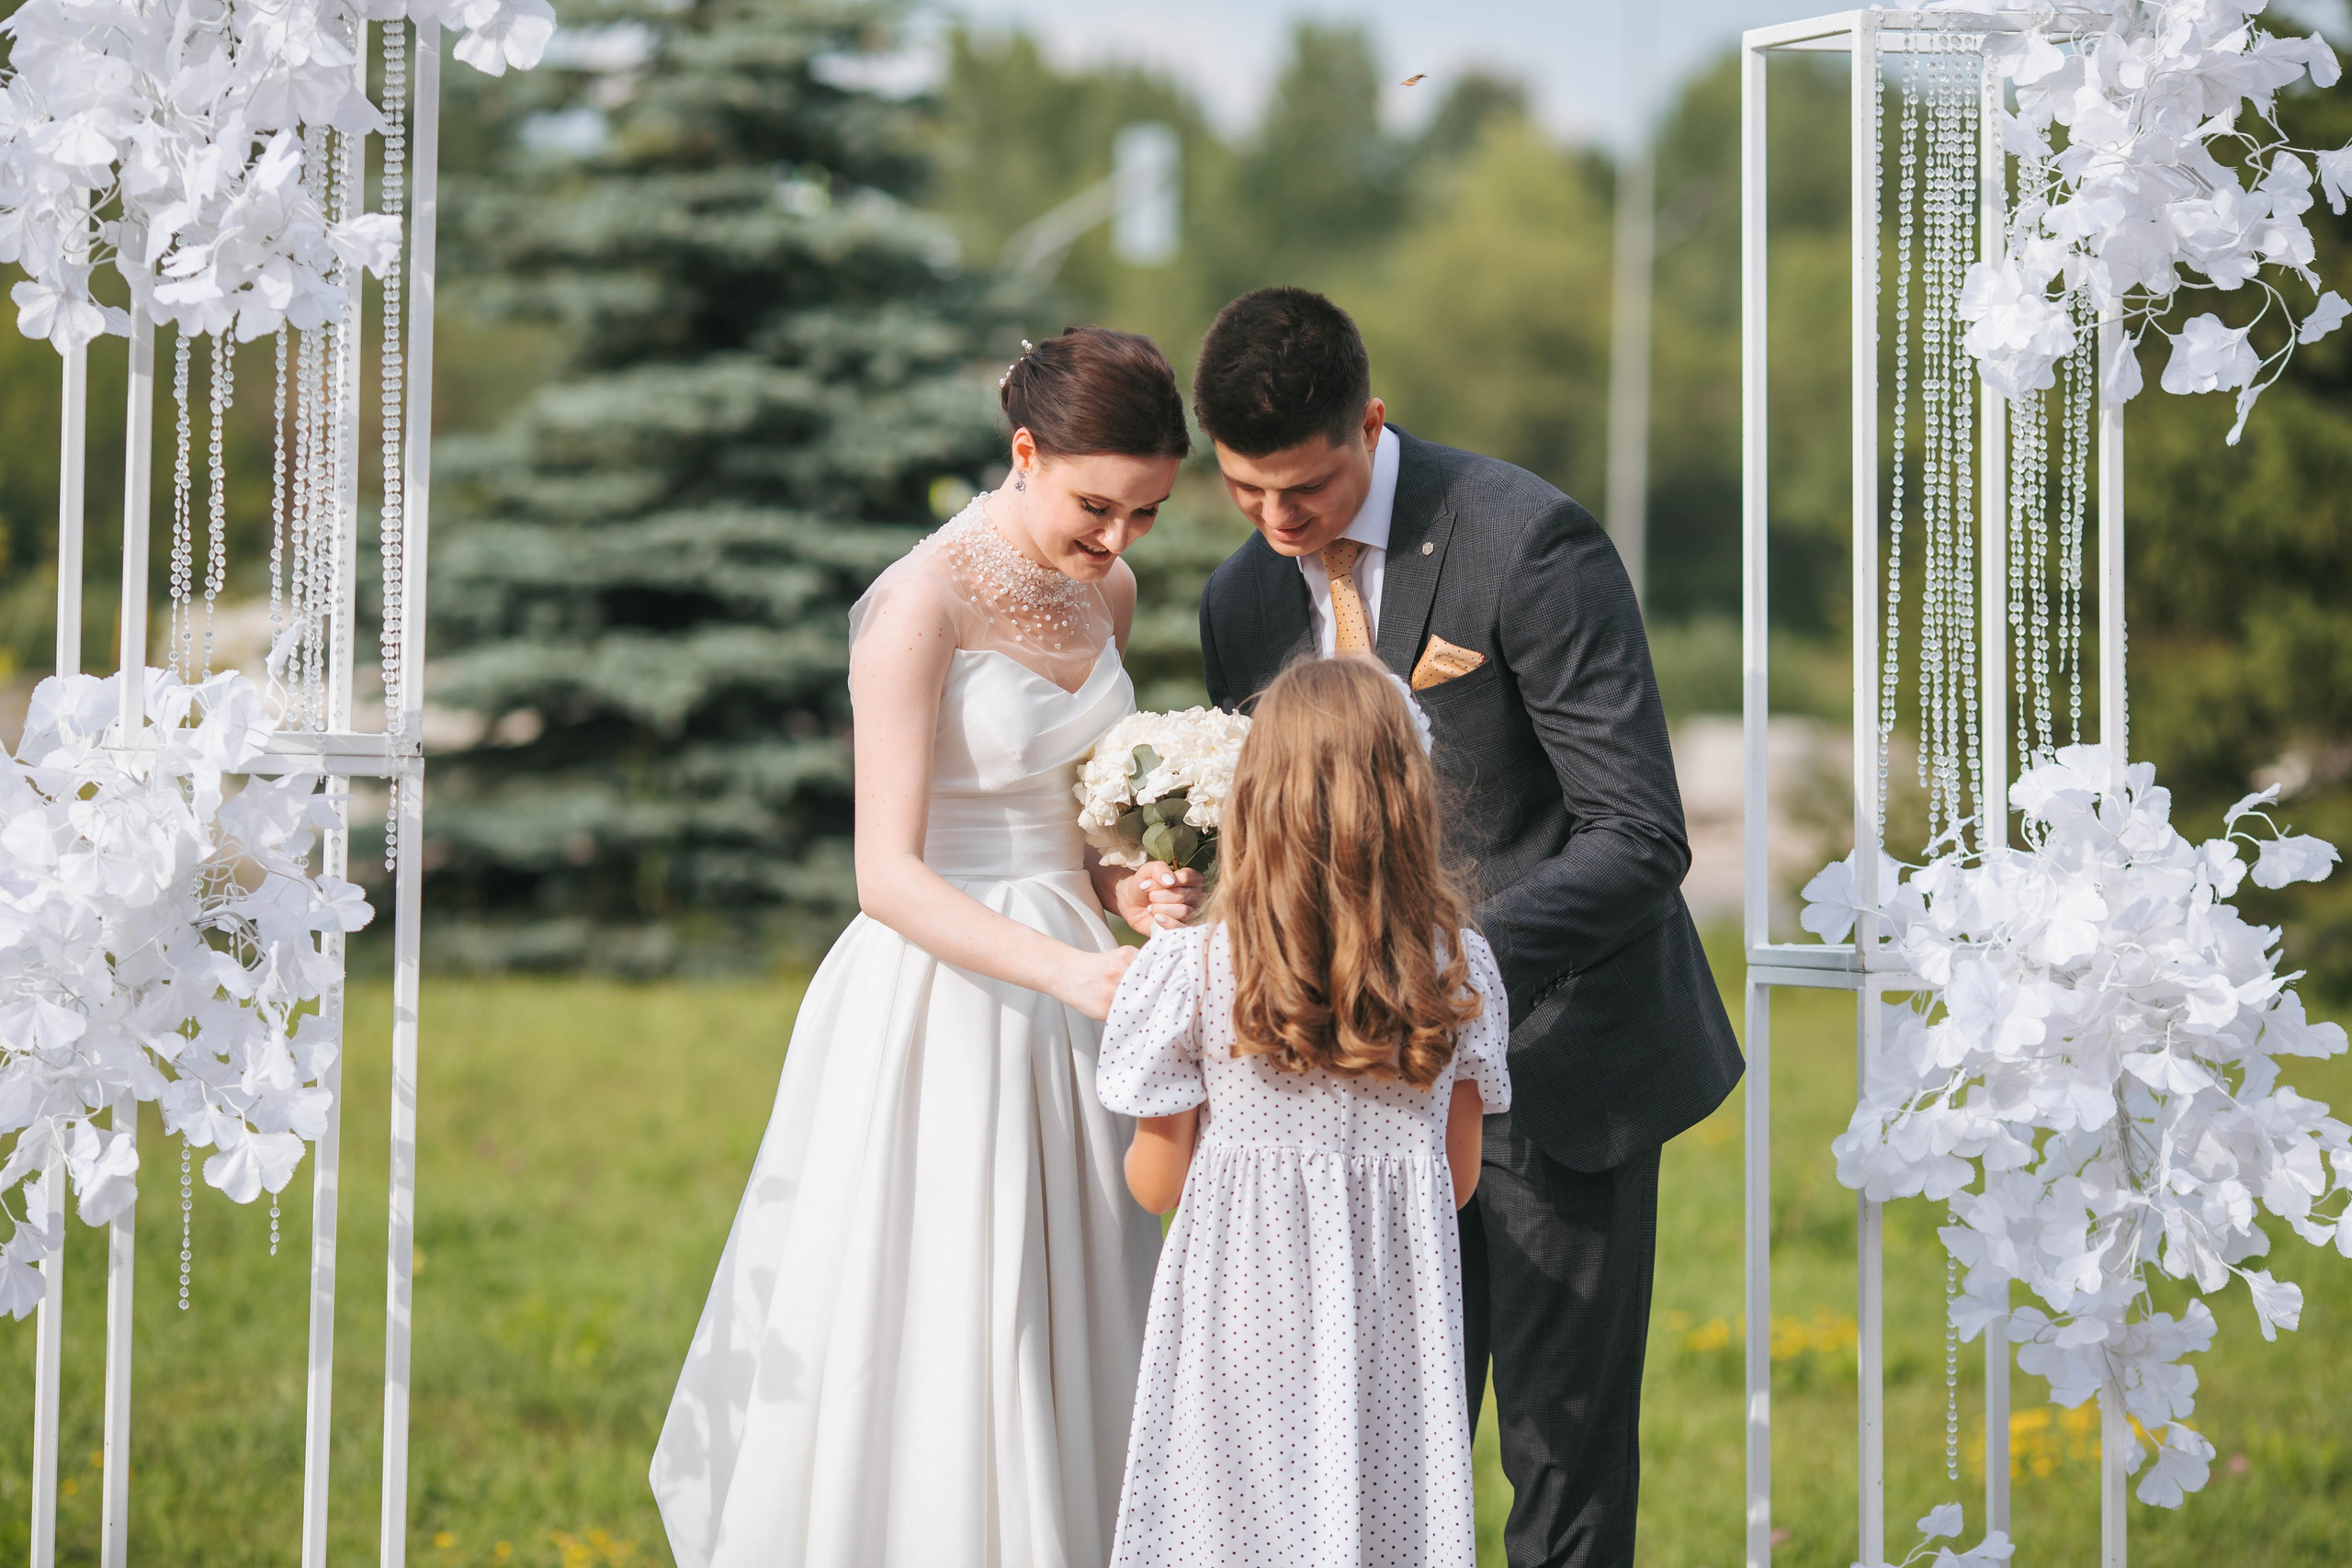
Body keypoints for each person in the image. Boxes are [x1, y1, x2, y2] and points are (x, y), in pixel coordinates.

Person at [1192, 288, 1744, 1568]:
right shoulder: (1240, 603)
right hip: (1353, 1108)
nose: (1278, 522)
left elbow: (1641, 832)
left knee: (1561, 1462)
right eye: (1241, 490)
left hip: (1557, 1070)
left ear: (1371, 425)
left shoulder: (1525, 539)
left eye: (1307, 489)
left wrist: (1452, 971)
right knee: (1369, 1457)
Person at [650, 326, 1207, 1568]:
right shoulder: (918, 603)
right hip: (945, 988)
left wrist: (1129, 886)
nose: (1119, 542)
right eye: (1098, 505)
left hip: (1082, 983)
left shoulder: (1106, 589)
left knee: (1085, 1293)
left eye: (1149, 514)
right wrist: (1065, 967)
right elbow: (884, 872)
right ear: (1024, 451)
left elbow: (1075, 823)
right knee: (951, 1303)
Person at [1095, 657, 1512, 1568]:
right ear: (1408, 800)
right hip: (1391, 1327)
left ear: (1254, 797)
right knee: (1377, 1521)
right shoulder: (1460, 968)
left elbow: (1155, 1183)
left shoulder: (1192, 970)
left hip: (1239, 1320)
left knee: (1235, 1522)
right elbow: (1459, 1178)